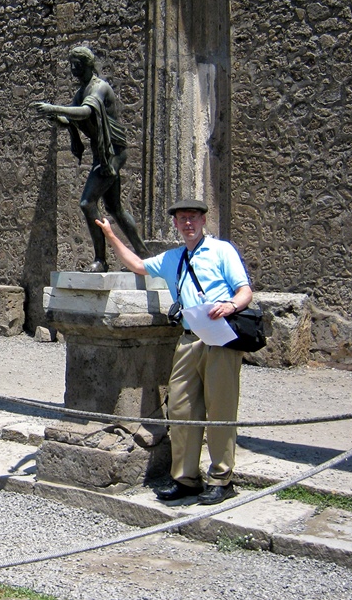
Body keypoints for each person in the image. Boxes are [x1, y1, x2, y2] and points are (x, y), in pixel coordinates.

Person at [95, 199, 253, 505]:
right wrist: (112, 237)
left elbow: (244, 290)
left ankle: (222, 478)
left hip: (221, 337)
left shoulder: (222, 251)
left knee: (220, 408)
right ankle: (186, 478)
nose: (188, 224)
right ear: (177, 224)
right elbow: (138, 266)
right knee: (181, 408)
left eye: (193, 218)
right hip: (188, 338)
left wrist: (231, 305)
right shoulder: (173, 258)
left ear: (204, 220)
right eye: (182, 219)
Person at [32, 46, 148, 272]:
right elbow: (74, 119)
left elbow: (85, 112)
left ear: (87, 65)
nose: (73, 69)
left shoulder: (99, 87)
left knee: (87, 203)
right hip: (104, 152)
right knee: (115, 209)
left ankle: (101, 260)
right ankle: (143, 255)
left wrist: (54, 107)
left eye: (77, 64)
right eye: (71, 64)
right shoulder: (82, 90)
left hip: (112, 152)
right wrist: (56, 117)